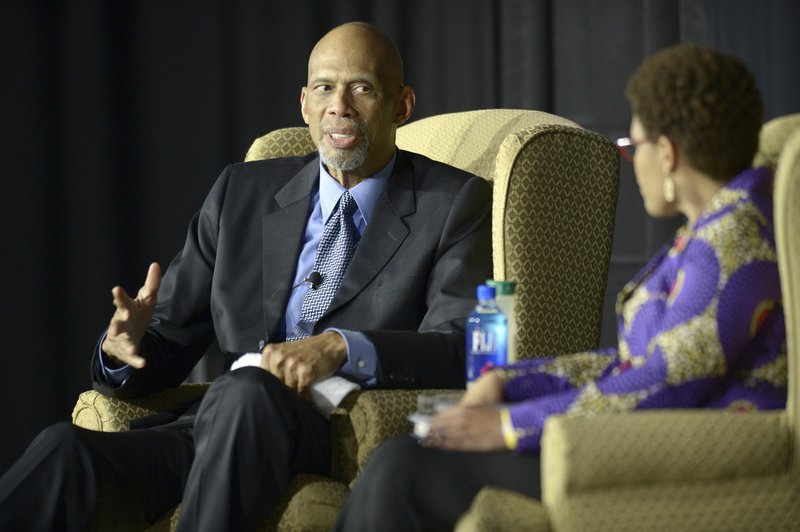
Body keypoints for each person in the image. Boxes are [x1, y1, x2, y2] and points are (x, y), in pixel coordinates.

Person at [0, 22, 492, 532]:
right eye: (324, 87)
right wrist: (123, 350)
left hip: (331, 428)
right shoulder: (241, 194)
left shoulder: (453, 204)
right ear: (304, 103)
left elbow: (463, 347)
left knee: (247, 391)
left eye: (362, 88)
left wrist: (341, 347)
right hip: (213, 425)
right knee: (66, 452)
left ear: (402, 105)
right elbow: (169, 338)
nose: (339, 106)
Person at [335, 44, 787, 532]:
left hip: (676, 460)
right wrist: (510, 382)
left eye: (633, 147)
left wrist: (510, 426)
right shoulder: (719, 226)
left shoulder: (733, 242)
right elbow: (632, 364)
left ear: (669, 154)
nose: (633, 163)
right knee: (400, 462)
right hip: (631, 440)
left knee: (402, 471)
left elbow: (662, 381)